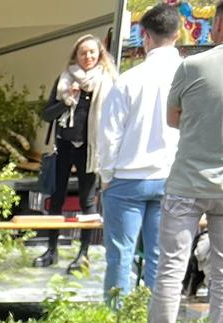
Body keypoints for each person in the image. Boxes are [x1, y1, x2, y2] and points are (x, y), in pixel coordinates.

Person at [97, 4, 182, 299]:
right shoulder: (189, 76)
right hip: (173, 176)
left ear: (144, 35)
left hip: (127, 176)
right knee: (161, 257)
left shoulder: (128, 79)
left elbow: (109, 134)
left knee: (120, 255)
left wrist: (106, 176)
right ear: (178, 33)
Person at [149, 43, 223, 323]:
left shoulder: (192, 65)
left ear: (218, 26)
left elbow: (173, 118)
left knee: (170, 270)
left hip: (185, 185)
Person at [36, 35, 116, 272]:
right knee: (56, 198)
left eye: (92, 52)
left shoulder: (108, 81)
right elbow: (47, 114)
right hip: (64, 146)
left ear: (100, 54)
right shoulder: (64, 79)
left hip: (91, 149)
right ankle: (51, 250)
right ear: (75, 56)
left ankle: (83, 254)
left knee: (87, 201)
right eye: (83, 53)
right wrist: (67, 100)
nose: (88, 57)